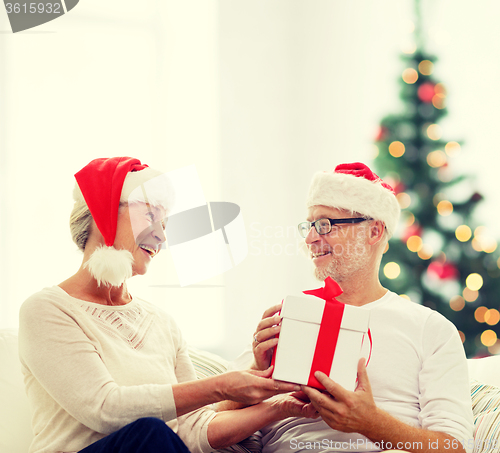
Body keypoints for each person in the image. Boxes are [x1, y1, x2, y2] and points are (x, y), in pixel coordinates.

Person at [18, 157, 317, 453]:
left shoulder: (161, 322)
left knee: (156, 435)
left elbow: (192, 430)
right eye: (150, 216)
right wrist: (221, 386)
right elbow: (105, 409)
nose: (161, 236)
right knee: (149, 432)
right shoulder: (46, 310)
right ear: (103, 211)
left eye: (165, 223)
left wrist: (282, 407)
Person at [246, 162, 474, 453]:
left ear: (374, 232)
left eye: (325, 225)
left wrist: (370, 423)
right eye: (309, 225)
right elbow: (212, 419)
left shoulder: (430, 328)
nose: (310, 239)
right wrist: (257, 370)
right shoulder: (286, 317)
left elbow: (456, 448)